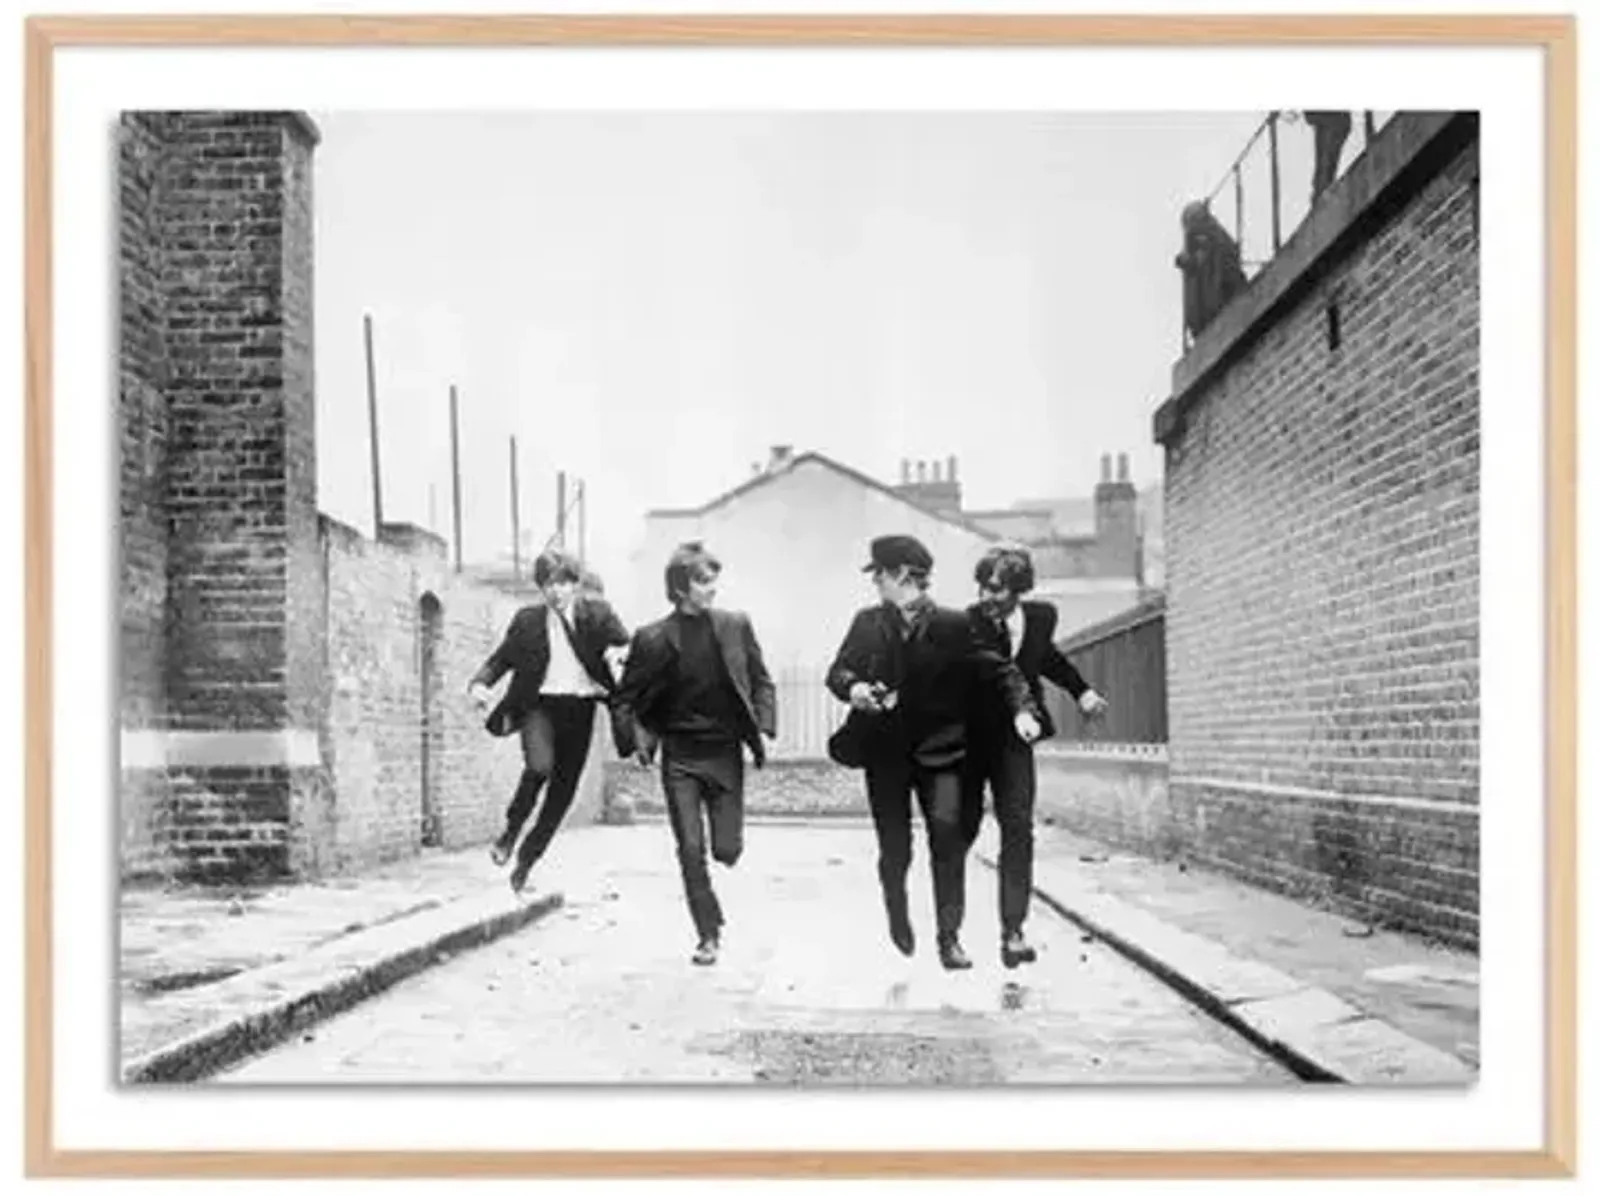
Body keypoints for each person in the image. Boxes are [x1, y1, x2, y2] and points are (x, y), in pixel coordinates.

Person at [825, 534, 1040, 970]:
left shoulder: (954, 625)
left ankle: (949, 938)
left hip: (941, 759)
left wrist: (1023, 709)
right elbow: (838, 671)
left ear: (903, 575)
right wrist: (856, 688)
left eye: (880, 574)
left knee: (947, 841)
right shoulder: (867, 622)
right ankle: (897, 907)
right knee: (896, 848)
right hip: (885, 758)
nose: (876, 583)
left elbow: (1001, 670)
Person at [611, 542, 776, 966]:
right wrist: (635, 744)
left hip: (724, 754)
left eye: (713, 580)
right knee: (689, 848)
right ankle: (708, 934)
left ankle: (718, 890)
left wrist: (763, 723)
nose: (713, 589)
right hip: (680, 757)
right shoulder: (652, 638)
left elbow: (761, 679)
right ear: (681, 587)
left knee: (727, 850)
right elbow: (624, 698)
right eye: (704, 582)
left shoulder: (735, 625)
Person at [962, 544, 1109, 968]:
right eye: (982, 588)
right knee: (958, 832)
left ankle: (1013, 931)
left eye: (995, 589)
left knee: (1018, 830)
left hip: (1014, 743)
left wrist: (1081, 690)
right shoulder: (969, 623)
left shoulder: (1040, 618)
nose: (986, 597)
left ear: (1018, 590)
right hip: (971, 739)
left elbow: (1047, 659)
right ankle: (949, 927)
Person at [468, 549, 631, 895]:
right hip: (539, 706)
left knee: (561, 796)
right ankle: (510, 833)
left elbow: (625, 648)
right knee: (539, 766)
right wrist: (481, 684)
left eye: (562, 583)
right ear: (541, 588)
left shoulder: (597, 615)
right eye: (548, 584)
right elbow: (500, 660)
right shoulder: (527, 620)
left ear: (575, 584)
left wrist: (618, 658)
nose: (556, 591)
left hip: (581, 709)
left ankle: (527, 859)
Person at [1174, 200, 1247, 344]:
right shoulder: (1197, 241)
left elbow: (1214, 258)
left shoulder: (1215, 237)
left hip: (1221, 299)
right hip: (1205, 310)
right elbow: (1195, 262)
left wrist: (1189, 260)